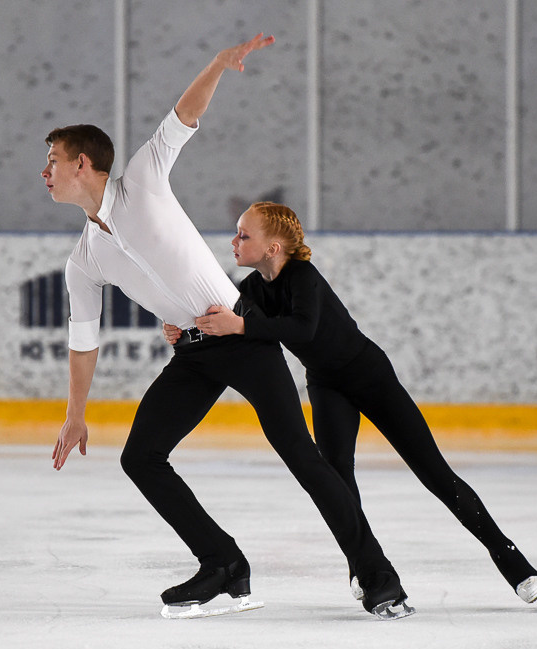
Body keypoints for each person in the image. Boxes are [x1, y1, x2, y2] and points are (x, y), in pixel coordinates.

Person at [42, 34, 413, 619]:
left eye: (53, 162)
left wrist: (216, 64)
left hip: (241, 339)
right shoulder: (84, 260)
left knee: (300, 454)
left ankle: (378, 575)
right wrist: (75, 413)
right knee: (141, 457)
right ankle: (223, 563)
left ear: (82, 163)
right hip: (192, 352)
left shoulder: (141, 178)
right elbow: (83, 342)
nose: (46, 173)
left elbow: (183, 117)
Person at [164, 201, 537, 608]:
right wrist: (185, 331)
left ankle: (513, 562)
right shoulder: (254, 290)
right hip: (327, 386)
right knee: (338, 480)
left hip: (369, 376)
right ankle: (363, 567)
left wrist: (241, 324)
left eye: (244, 235)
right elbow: (226, 324)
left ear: (273, 247)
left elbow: (303, 327)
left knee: (435, 473)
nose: (234, 241)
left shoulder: (303, 276)